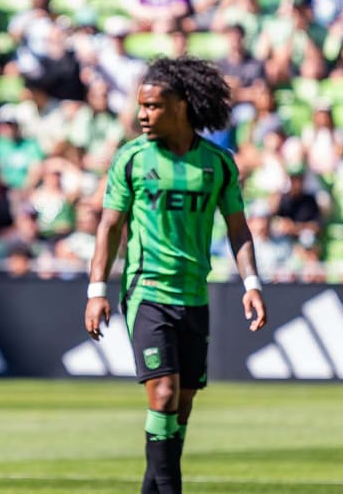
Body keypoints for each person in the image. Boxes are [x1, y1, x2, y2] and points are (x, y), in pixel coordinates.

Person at [83, 56, 267, 494]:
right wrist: (96, 290)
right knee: (163, 394)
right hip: (146, 291)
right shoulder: (131, 158)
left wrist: (252, 284)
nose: (143, 115)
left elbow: (238, 228)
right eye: (141, 106)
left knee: (178, 412)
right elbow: (110, 226)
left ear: (181, 106)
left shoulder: (218, 163)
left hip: (194, 296)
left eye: (153, 106)